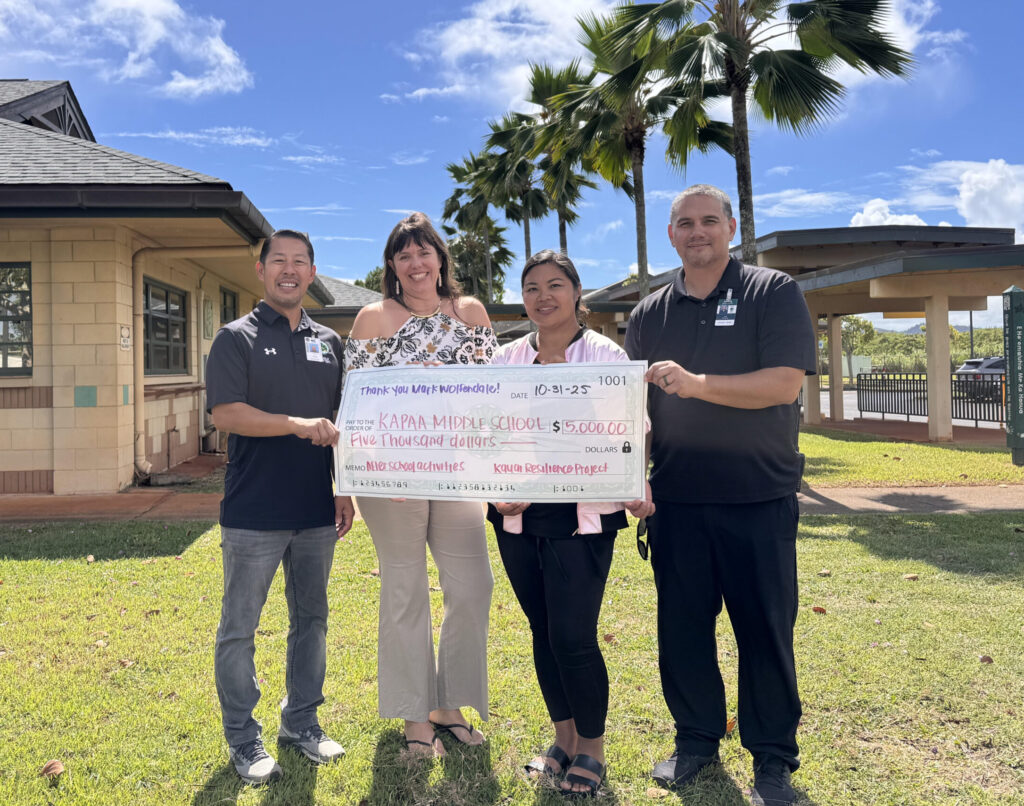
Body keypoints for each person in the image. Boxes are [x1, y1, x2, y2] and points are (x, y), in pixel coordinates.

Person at [624, 185, 816, 806]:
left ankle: (772, 760)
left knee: (765, 632)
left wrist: (697, 384)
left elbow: (784, 385)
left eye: (709, 220)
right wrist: (632, 474)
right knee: (682, 630)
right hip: (677, 501)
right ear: (671, 235)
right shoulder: (649, 313)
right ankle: (696, 740)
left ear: (731, 228)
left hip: (758, 497)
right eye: (685, 223)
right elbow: (632, 410)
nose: (697, 231)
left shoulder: (772, 292)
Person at [488, 250, 655, 798]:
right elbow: (485, 433)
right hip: (516, 517)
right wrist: (496, 491)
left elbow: (632, 427)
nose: (543, 297)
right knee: (542, 630)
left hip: (581, 518)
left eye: (555, 285)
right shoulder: (506, 358)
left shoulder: (605, 354)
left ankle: (592, 749)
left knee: (574, 637)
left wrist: (636, 481)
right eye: (532, 288)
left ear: (577, 292)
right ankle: (562, 739)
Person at [344, 212, 497, 757]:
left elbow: (492, 395)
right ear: (392, 265)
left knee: (473, 586)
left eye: (423, 251)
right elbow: (354, 404)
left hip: (458, 472)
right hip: (391, 479)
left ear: (440, 258)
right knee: (405, 590)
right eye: (404, 254)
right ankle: (414, 715)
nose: (415, 263)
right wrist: (360, 472)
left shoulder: (471, 312)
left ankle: (448, 706)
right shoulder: (372, 318)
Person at [206, 229, 355, 785]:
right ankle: (243, 736)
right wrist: (295, 424)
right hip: (254, 510)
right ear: (262, 270)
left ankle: (301, 722)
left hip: (316, 509)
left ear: (312, 273)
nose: (289, 270)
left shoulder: (330, 342)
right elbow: (226, 414)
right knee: (239, 628)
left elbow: (343, 421)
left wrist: (344, 488)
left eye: (300, 262)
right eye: (279, 261)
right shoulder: (235, 338)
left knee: (311, 620)